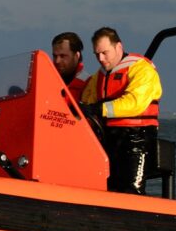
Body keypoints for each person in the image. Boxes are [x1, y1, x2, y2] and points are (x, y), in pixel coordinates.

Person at [80, 26, 162, 194]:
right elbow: (87, 102)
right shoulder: (98, 77)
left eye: (105, 53)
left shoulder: (141, 69)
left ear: (118, 47)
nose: (101, 59)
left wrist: (99, 109)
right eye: (97, 54)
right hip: (108, 138)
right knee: (108, 187)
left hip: (137, 138)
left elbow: (135, 102)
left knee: (132, 189)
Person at [51, 31, 87, 102]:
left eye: (62, 56)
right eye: (55, 56)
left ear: (77, 56)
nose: (57, 61)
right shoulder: (48, 81)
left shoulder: (89, 84)